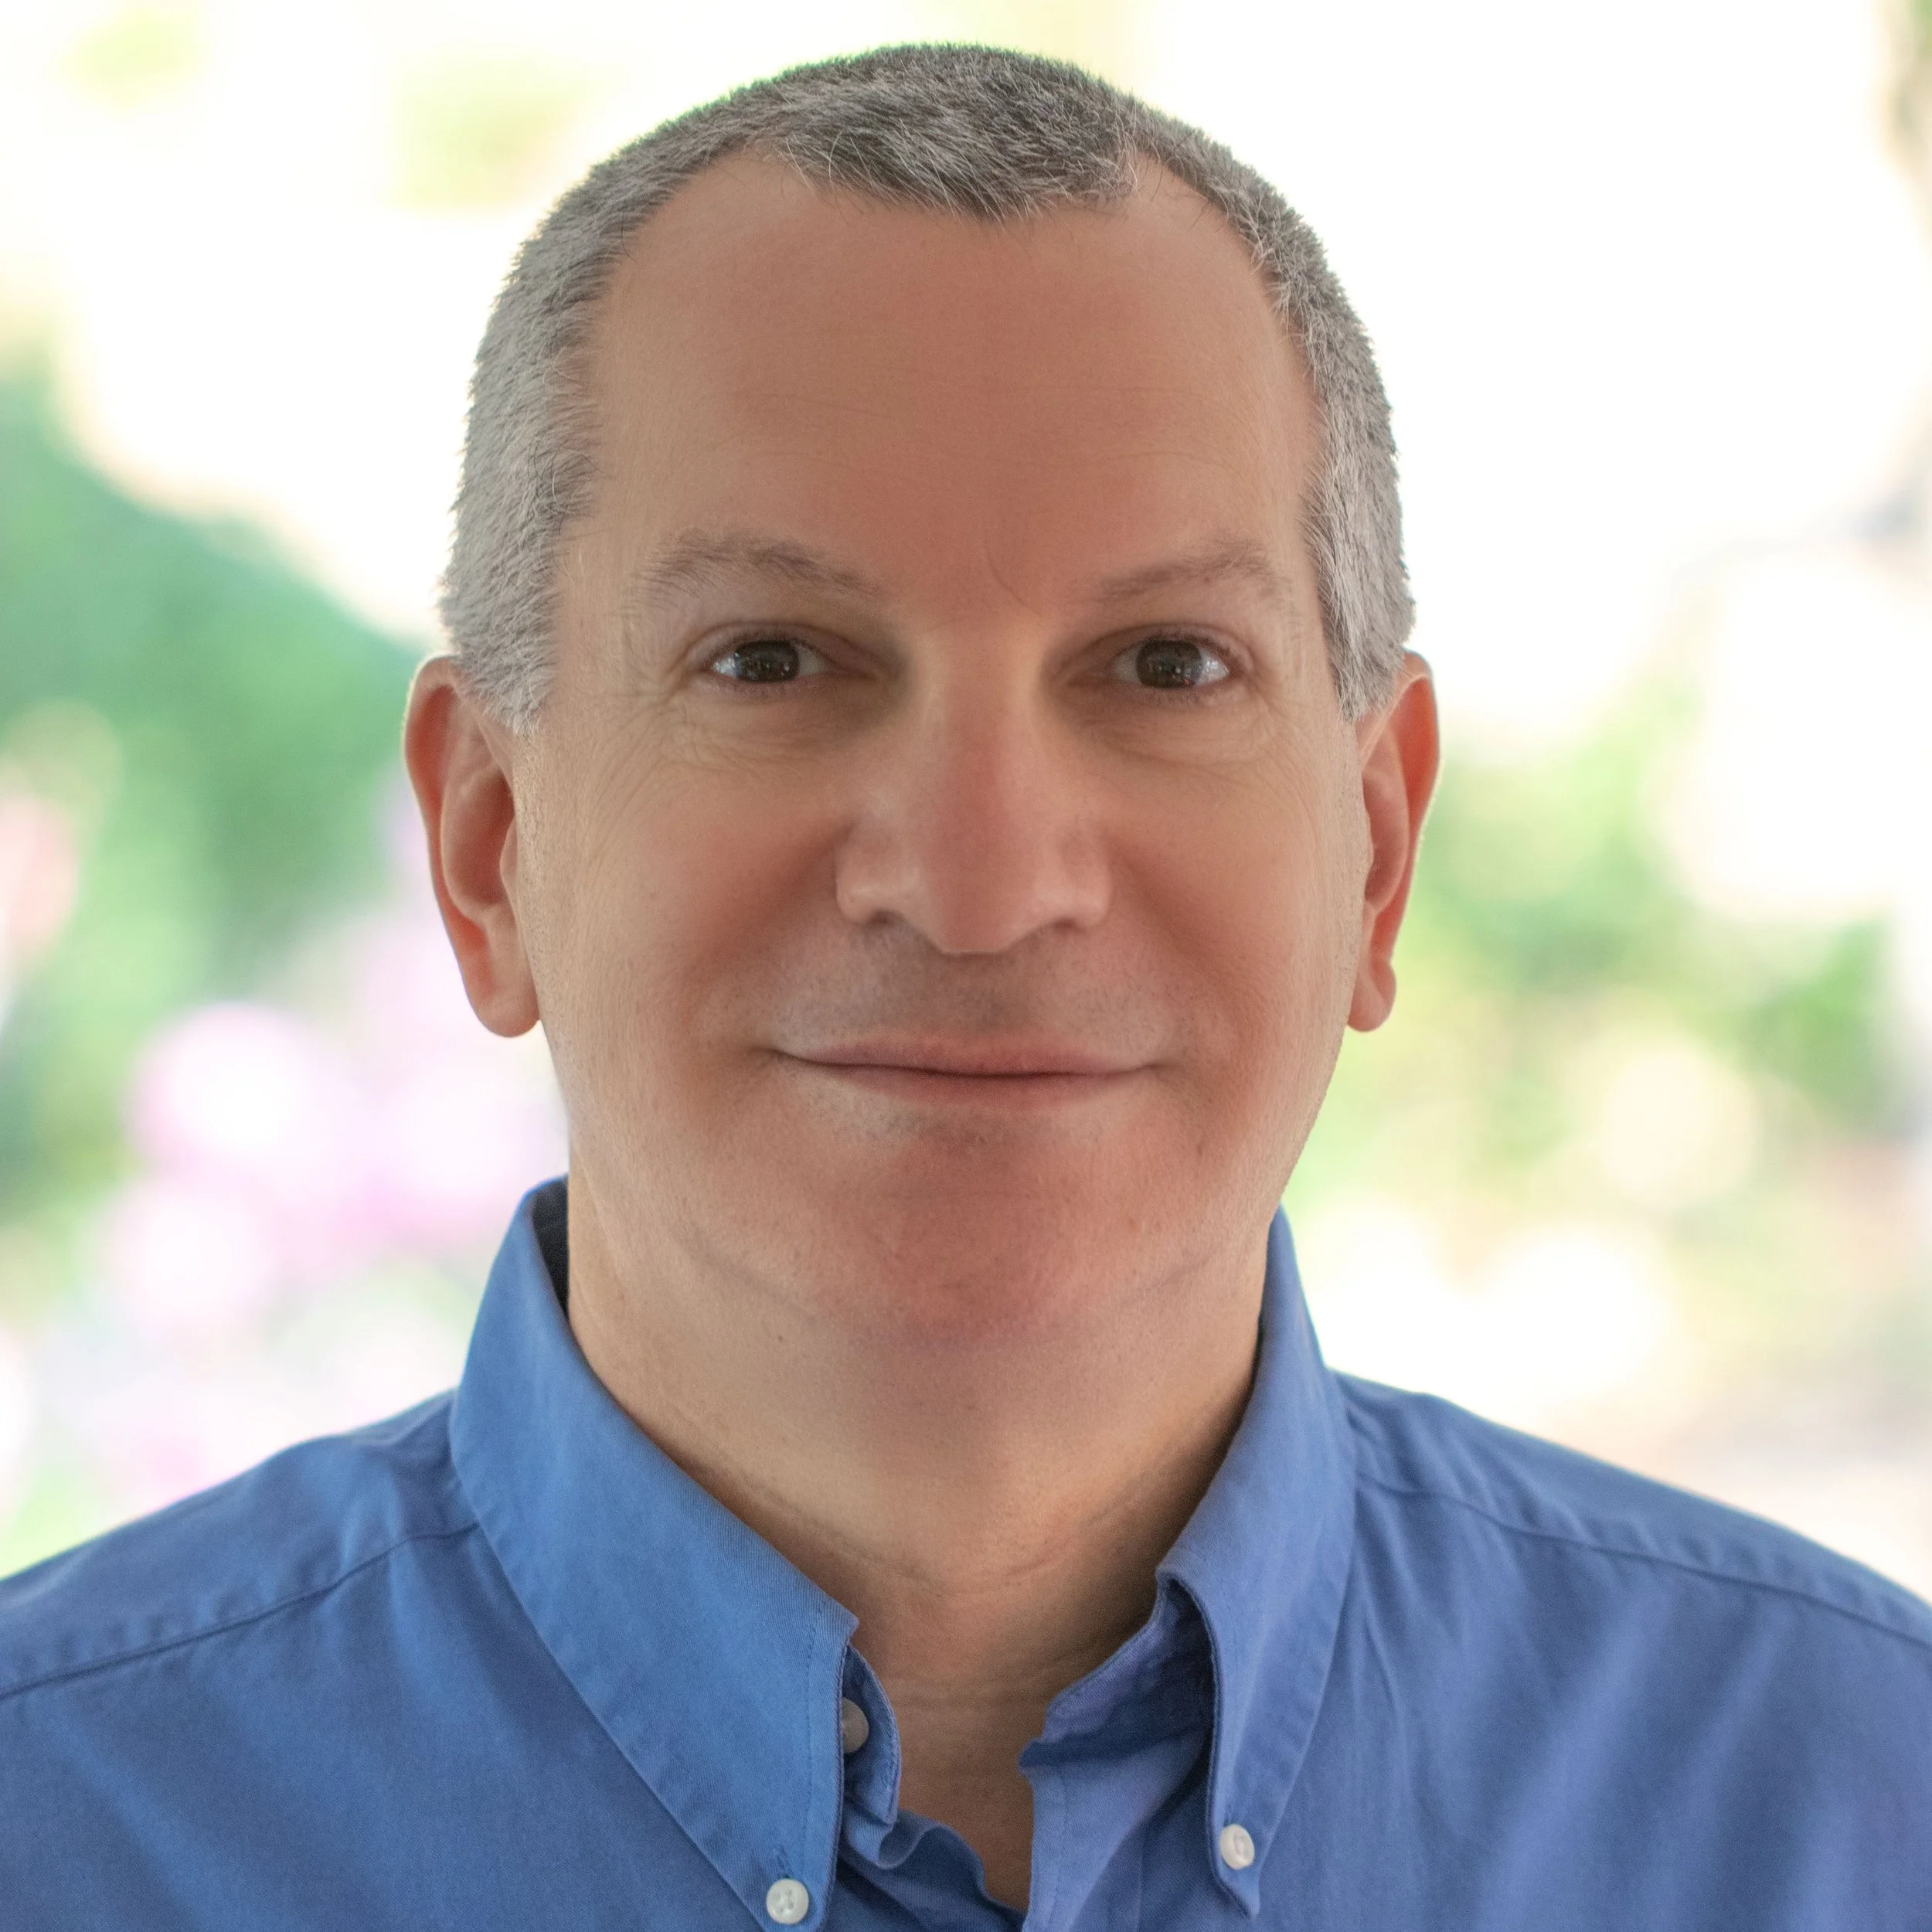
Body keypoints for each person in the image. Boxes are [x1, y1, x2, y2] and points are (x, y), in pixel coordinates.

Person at [2, 43, 1927, 1930]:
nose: (984, 884)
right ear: (487, 841)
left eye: (1165, 664)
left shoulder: (1860, 1803)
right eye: (771, 659)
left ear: (1375, 845)